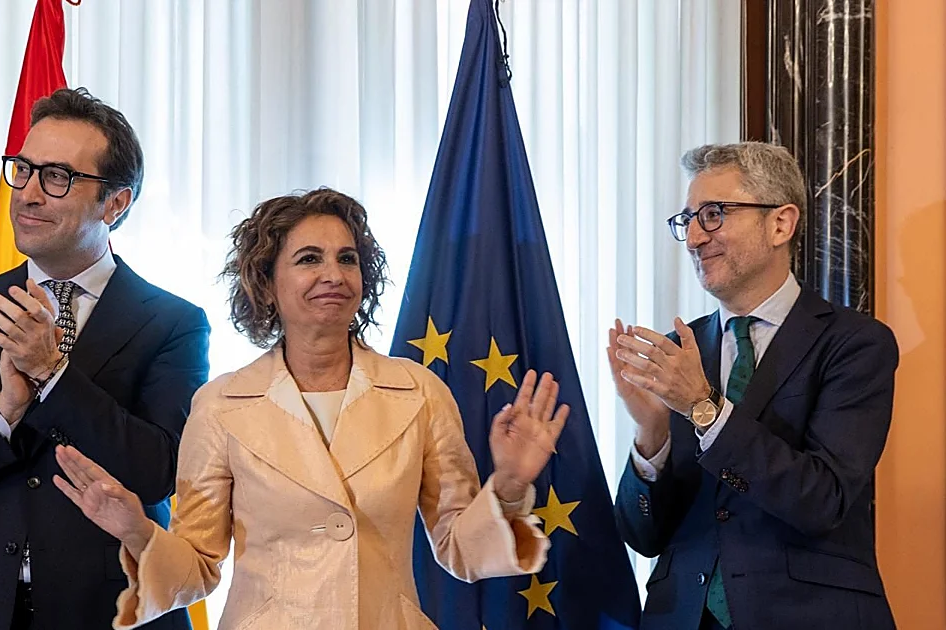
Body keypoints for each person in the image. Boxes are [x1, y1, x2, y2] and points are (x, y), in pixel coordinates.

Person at [54, 188, 568, 629]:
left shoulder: (420, 392)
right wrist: (136, 529)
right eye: (308, 259)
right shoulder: (220, 406)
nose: (333, 274)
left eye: (347, 259)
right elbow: (200, 566)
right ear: (266, 284)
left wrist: (509, 484)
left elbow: (460, 550)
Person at [0, 87, 209, 630]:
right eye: (23, 170)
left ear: (115, 203)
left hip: (108, 606)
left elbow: (158, 473)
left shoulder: (173, 323)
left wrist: (53, 375)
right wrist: (3, 413)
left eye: (57, 177)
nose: (28, 194)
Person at [609, 142, 897, 629]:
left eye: (713, 215)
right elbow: (644, 537)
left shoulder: (856, 344)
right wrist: (651, 437)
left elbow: (822, 499)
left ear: (781, 224)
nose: (694, 238)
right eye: (688, 220)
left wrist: (703, 407)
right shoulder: (680, 353)